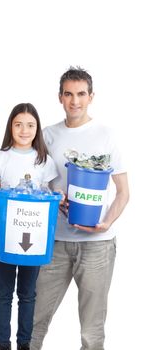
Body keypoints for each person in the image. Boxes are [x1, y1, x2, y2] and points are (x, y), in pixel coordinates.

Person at [30, 67, 130, 350]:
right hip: (56, 242)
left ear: (91, 96)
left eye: (81, 94)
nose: (75, 101)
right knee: (34, 322)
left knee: (92, 330)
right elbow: (37, 183)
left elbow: (123, 192)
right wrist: (53, 196)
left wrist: (106, 223)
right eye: (69, 94)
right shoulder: (47, 135)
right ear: (60, 97)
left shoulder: (106, 135)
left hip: (97, 245)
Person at [0, 103, 59, 350]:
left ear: (37, 129)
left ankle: (24, 344)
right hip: (5, 234)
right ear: (10, 127)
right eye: (18, 124)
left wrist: (56, 196)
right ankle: (3, 344)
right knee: (4, 293)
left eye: (30, 125)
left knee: (28, 294)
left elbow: (49, 194)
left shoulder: (44, 160)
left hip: (35, 237)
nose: (24, 130)